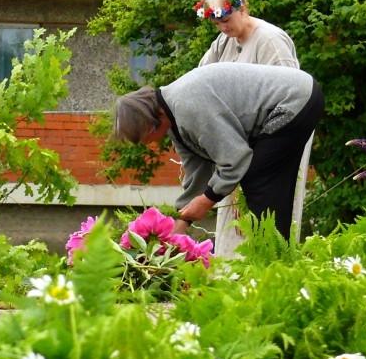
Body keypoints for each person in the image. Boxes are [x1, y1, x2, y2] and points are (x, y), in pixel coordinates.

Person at [112, 62, 323, 240]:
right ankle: (278, 256)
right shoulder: (174, 118)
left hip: (294, 101)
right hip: (296, 98)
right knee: (268, 184)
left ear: (151, 124)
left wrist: (207, 200)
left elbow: (236, 159)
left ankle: (272, 259)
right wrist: (182, 221)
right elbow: (197, 170)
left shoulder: (188, 107)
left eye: (143, 139)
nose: (147, 144)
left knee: (258, 178)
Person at [194, 0, 304, 253]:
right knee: (232, 221)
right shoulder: (224, 41)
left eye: (227, 20)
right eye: (217, 23)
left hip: (272, 141)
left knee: (262, 219)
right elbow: (201, 78)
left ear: (242, 8)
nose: (223, 28)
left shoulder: (270, 39)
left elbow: (292, 95)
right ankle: (231, 279)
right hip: (237, 143)